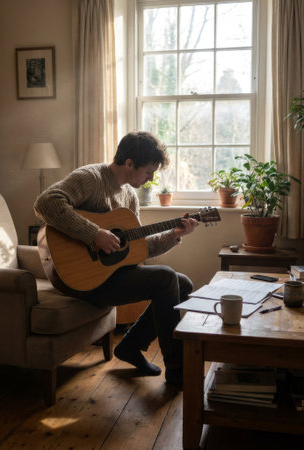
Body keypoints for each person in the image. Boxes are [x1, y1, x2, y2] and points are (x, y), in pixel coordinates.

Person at [34, 131, 199, 386]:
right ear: (129, 163)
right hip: (78, 277)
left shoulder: (129, 196)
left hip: (110, 275)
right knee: (166, 277)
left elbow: (138, 248)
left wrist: (175, 235)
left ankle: (131, 346)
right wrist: (94, 234)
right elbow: (46, 203)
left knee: (184, 283)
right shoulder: (90, 177)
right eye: (148, 171)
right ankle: (177, 372)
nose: (151, 179)